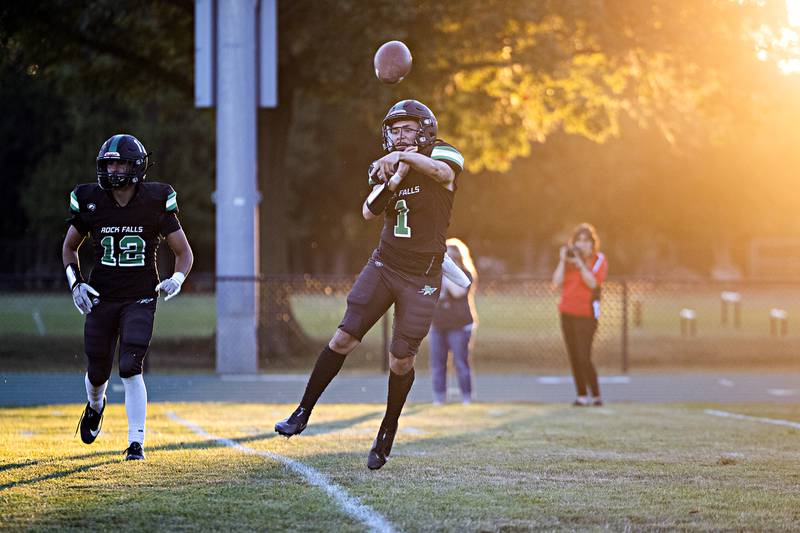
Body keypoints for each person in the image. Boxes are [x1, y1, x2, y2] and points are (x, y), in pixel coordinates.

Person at [275, 99, 465, 470]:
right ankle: (302, 410)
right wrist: (390, 177)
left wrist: (405, 161)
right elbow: (369, 210)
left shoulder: (441, 151)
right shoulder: (387, 166)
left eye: (407, 128)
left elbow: (443, 175)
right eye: (394, 130)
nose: (399, 136)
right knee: (343, 338)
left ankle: (387, 428)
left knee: (400, 359)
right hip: (385, 264)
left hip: (422, 274)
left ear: (424, 129)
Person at [63, 134, 193, 460]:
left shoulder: (155, 200)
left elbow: (184, 253)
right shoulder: (91, 200)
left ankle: (136, 442)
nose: (113, 169)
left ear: (136, 166)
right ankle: (95, 406)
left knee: (131, 365)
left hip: (140, 295)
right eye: (108, 163)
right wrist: (76, 283)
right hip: (102, 295)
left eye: (119, 162)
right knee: (97, 371)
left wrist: (177, 278)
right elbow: (69, 248)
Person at [551, 223, 608, 407]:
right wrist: (563, 260)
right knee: (574, 356)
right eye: (579, 240)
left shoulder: (598, 260)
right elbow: (556, 283)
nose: (582, 244)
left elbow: (592, 283)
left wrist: (580, 263)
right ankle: (581, 395)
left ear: (592, 243)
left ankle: (596, 395)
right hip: (567, 312)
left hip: (587, 314)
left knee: (584, 356)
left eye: (586, 241)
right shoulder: (568, 261)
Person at [429, 238, 478, 405]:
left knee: (460, 363)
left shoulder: (465, 274)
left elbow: (457, 292)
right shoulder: (435, 275)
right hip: (438, 324)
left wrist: (448, 271)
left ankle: (466, 397)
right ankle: (439, 397)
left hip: (460, 325)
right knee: (437, 364)